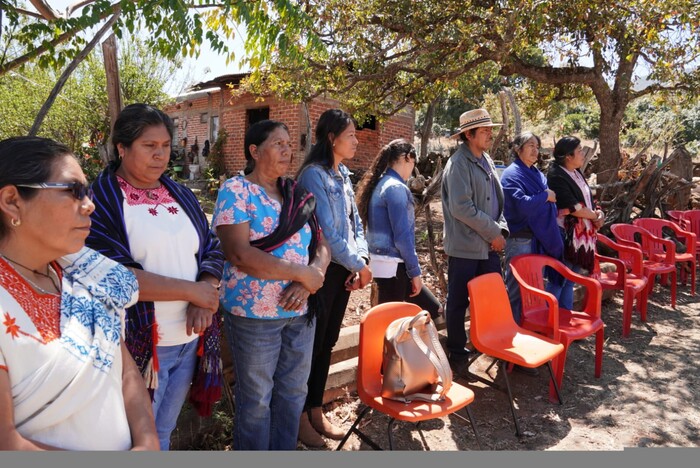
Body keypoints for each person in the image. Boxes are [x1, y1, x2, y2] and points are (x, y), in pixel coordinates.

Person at [0, 136, 158, 450]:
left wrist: (148, 443)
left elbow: (126, 372)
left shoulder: (85, 278)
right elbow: (6, 444)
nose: (89, 205)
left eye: (87, 192)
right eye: (73, 191)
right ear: (12, 201)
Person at [85, 104, 225, 451]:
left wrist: (205, 291)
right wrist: (194, 292)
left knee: (163, 432)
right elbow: (116, 275)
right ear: (122, 147)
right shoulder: (99, 201)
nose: (160, 155)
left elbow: (212, 246)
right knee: (132, 439)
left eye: (165, 146)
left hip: (189, 337)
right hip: (139, 347)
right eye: (149, 146)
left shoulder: (180, 195)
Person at [212, 119, 330, 450]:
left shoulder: (296, 195)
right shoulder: (236, 191)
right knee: (257, 401)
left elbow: (323, 245)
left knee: (294, 392)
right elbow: (239, 253)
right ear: (254, 150)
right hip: (254, 316)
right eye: (278, 143)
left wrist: (311, 279)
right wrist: (299, 273)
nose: (287, 150)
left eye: (290, 144)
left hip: (299, 311)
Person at [295, 108, 372, 448]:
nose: (356, 140)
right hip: (322, 270)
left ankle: (315, 409)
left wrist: (362, 260)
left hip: (343, 269)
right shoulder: (314, 175)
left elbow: (355, 223)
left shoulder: (342, 174)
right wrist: (357, 263)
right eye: (351, 135)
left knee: (327, 342)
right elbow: (325, 230)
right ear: (331, 138)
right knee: (310, 345)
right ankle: (298, 416)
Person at [441, 108, 508, 375]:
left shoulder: (487, 159)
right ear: (468, 135)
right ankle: (457, 354)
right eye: (484, 131)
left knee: (491, 298)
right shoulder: (458, 164)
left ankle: (493, 345)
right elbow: (462, 208)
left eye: (490, 129)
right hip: (466, 247)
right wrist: (493, 232)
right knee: (458, 302)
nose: (490, 134)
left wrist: (500, 230)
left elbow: (497, 201)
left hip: (489, 245)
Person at [355, 139, 442, 318]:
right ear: (408, 157)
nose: (413, 168)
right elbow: (403, 238)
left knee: (394, 322)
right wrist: (415, 273)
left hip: (383, 265)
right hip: (394, 267)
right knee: (428, 313)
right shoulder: (395, 188)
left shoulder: (380, 184)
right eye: (414, 162)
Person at [501, 132, 563, 323]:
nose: (535, 150)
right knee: (516, 288)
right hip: (520, 238)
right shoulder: (512, 174)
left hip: (538, 238)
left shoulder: (535, 173)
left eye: (537, 146)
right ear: (517, 149)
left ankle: (529, 327)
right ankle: (511, 328)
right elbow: (522, 204)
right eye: (530, 146)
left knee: (534, 287)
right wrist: (545, 196)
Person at [545, 136, 605, 309]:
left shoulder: (576, 172)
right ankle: (551, 324)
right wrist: (594, 217)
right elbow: (574, 207)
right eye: (579, 151)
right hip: (565, 234)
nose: (583, 154)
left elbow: (587, 199)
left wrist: (598, 212)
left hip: (580, 236)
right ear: (568, 157)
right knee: (558, 279)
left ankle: (565, 322)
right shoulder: (556, 176)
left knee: (570, 279)